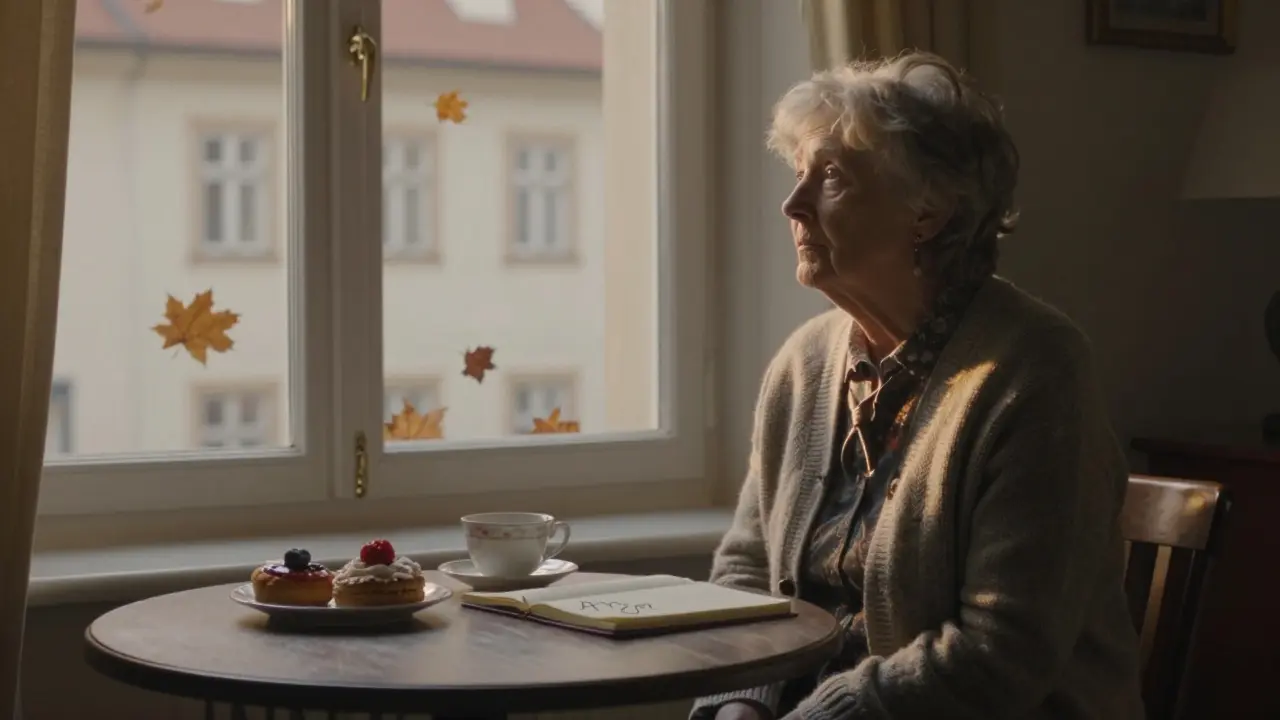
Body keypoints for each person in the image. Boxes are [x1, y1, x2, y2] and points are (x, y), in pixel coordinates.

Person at [691, 52, 1143, 720]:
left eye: (833, 178)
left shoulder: (1034, 371)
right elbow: (747, 576)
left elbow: (1000, 652)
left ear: (927, 213)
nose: (793, 204)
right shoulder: (802, 364)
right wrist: (739, 707)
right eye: (797, 174)